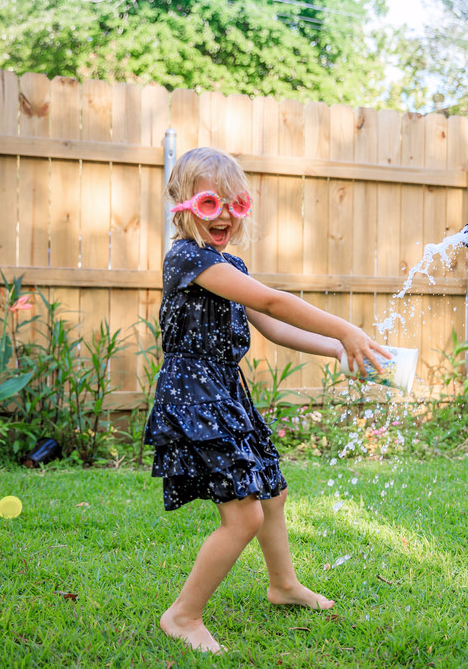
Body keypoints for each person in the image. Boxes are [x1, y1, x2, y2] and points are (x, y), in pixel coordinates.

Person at [143, 147, 391, 653]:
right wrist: (345, 326)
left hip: (224, 390)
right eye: (212, 204)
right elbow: (274, 301)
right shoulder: (187, 258)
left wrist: (341, 349)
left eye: (236, 205)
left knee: (271, 492)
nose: (226, 217)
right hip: (196, 395)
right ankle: (183, 615)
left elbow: (273, 326)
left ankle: (283, 586)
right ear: (183, 205)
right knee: (244, 516)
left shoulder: (227, 263)